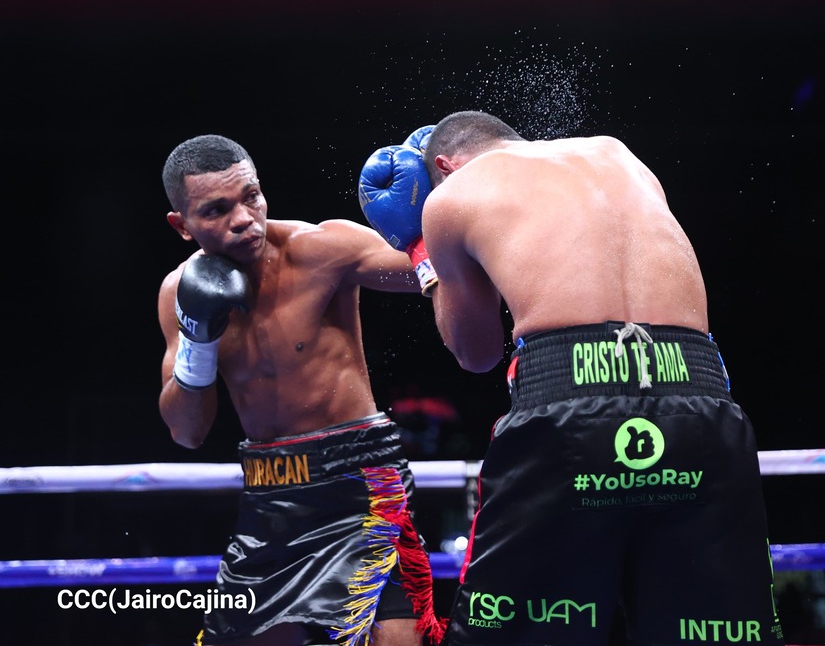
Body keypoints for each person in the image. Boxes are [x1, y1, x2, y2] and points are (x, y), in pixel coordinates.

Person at [357, 112, 784, 645]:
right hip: (702, 401)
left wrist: (423, 250)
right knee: (712, 633)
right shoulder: (618, 154)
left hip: (569, 406)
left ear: (443, 166)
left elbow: (476, 353)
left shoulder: (452, 195)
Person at [157, 134, 447, 646]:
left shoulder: (322, 249)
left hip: (362, 482)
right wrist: (198, 343)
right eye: (217, 210)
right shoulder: (177, 293)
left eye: (251, 196)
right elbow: (187, 432)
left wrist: (437, 213)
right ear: (182, 226)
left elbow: (440, 274)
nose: (244, 219)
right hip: (271, 492)